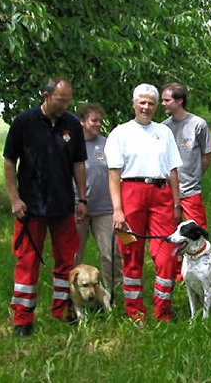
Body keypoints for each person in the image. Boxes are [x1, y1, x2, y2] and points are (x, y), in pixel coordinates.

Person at [4, 77, 87, 336]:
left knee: (65, 262)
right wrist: (15, 199)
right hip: (31, 208)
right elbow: (9, 162)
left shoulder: (72, 124)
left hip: (63, 205)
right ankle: (23, 319)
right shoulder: (24, 123)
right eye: (60, 100)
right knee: (27, 263)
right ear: (47, 95)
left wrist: (82, 198)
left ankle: (62, 310)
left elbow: (79, 164)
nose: (64, 105)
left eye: (68, 100)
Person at [104, 83, 182, 323]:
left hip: (160, 194)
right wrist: (118, 210)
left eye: (151, 103)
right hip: (131, 192)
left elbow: (172, 170)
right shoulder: (121, 133)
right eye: (142, 102)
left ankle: (163, 311)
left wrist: (177, 204)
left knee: (166, 254)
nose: (146, 107)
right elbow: (114, 174)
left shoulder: (164, 132)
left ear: (157, 106)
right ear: (134, 104)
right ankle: (135, 311)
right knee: (131, 253)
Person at [74, 103, 123, 293]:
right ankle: (73, 295)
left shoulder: (107, 144)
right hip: (77, 207)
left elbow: (117, 173)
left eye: (100, 121)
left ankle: (114, 293)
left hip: (105, 208)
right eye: (94, 120)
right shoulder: (72, 145)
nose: (97, 124)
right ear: (82, 121)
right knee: (74, 254)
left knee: (110, 254)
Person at [162, 83, 211, 228]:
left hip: (191, 191)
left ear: (179, 101)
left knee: (197, 232)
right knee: (170, 234)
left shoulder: (198, 124)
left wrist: (195, 175)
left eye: (167, 100)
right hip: (168, 191)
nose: (162, 104)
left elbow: (207, 155)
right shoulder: (164, 127)